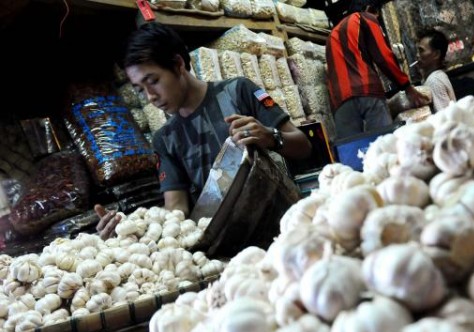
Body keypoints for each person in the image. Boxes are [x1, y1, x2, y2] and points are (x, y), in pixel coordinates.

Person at [95, 22, 312, 239]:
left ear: (178, 64)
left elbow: (303, 146)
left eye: (153, 81)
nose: (150, 96)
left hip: (288, 228)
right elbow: (176, 208)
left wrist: (271, 137)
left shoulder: (237, 91)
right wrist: (132, 227)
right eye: (140, 90)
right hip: (227, 248)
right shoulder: (165, 139)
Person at [325, 0, 429, 139]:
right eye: (377, 15)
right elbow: (383, 57)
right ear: (369, 8)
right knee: (384, 143)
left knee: (352, 149)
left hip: (340, 101)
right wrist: (407, 87)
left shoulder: (332, 35)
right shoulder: (364, 17)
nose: (377, 20)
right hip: (367, 90)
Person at [416, 29, 456, 112]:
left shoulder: (434, 81)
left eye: (421, 51)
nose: (417, 55)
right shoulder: (437, 76)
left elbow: (444, 118)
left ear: (436, 54)